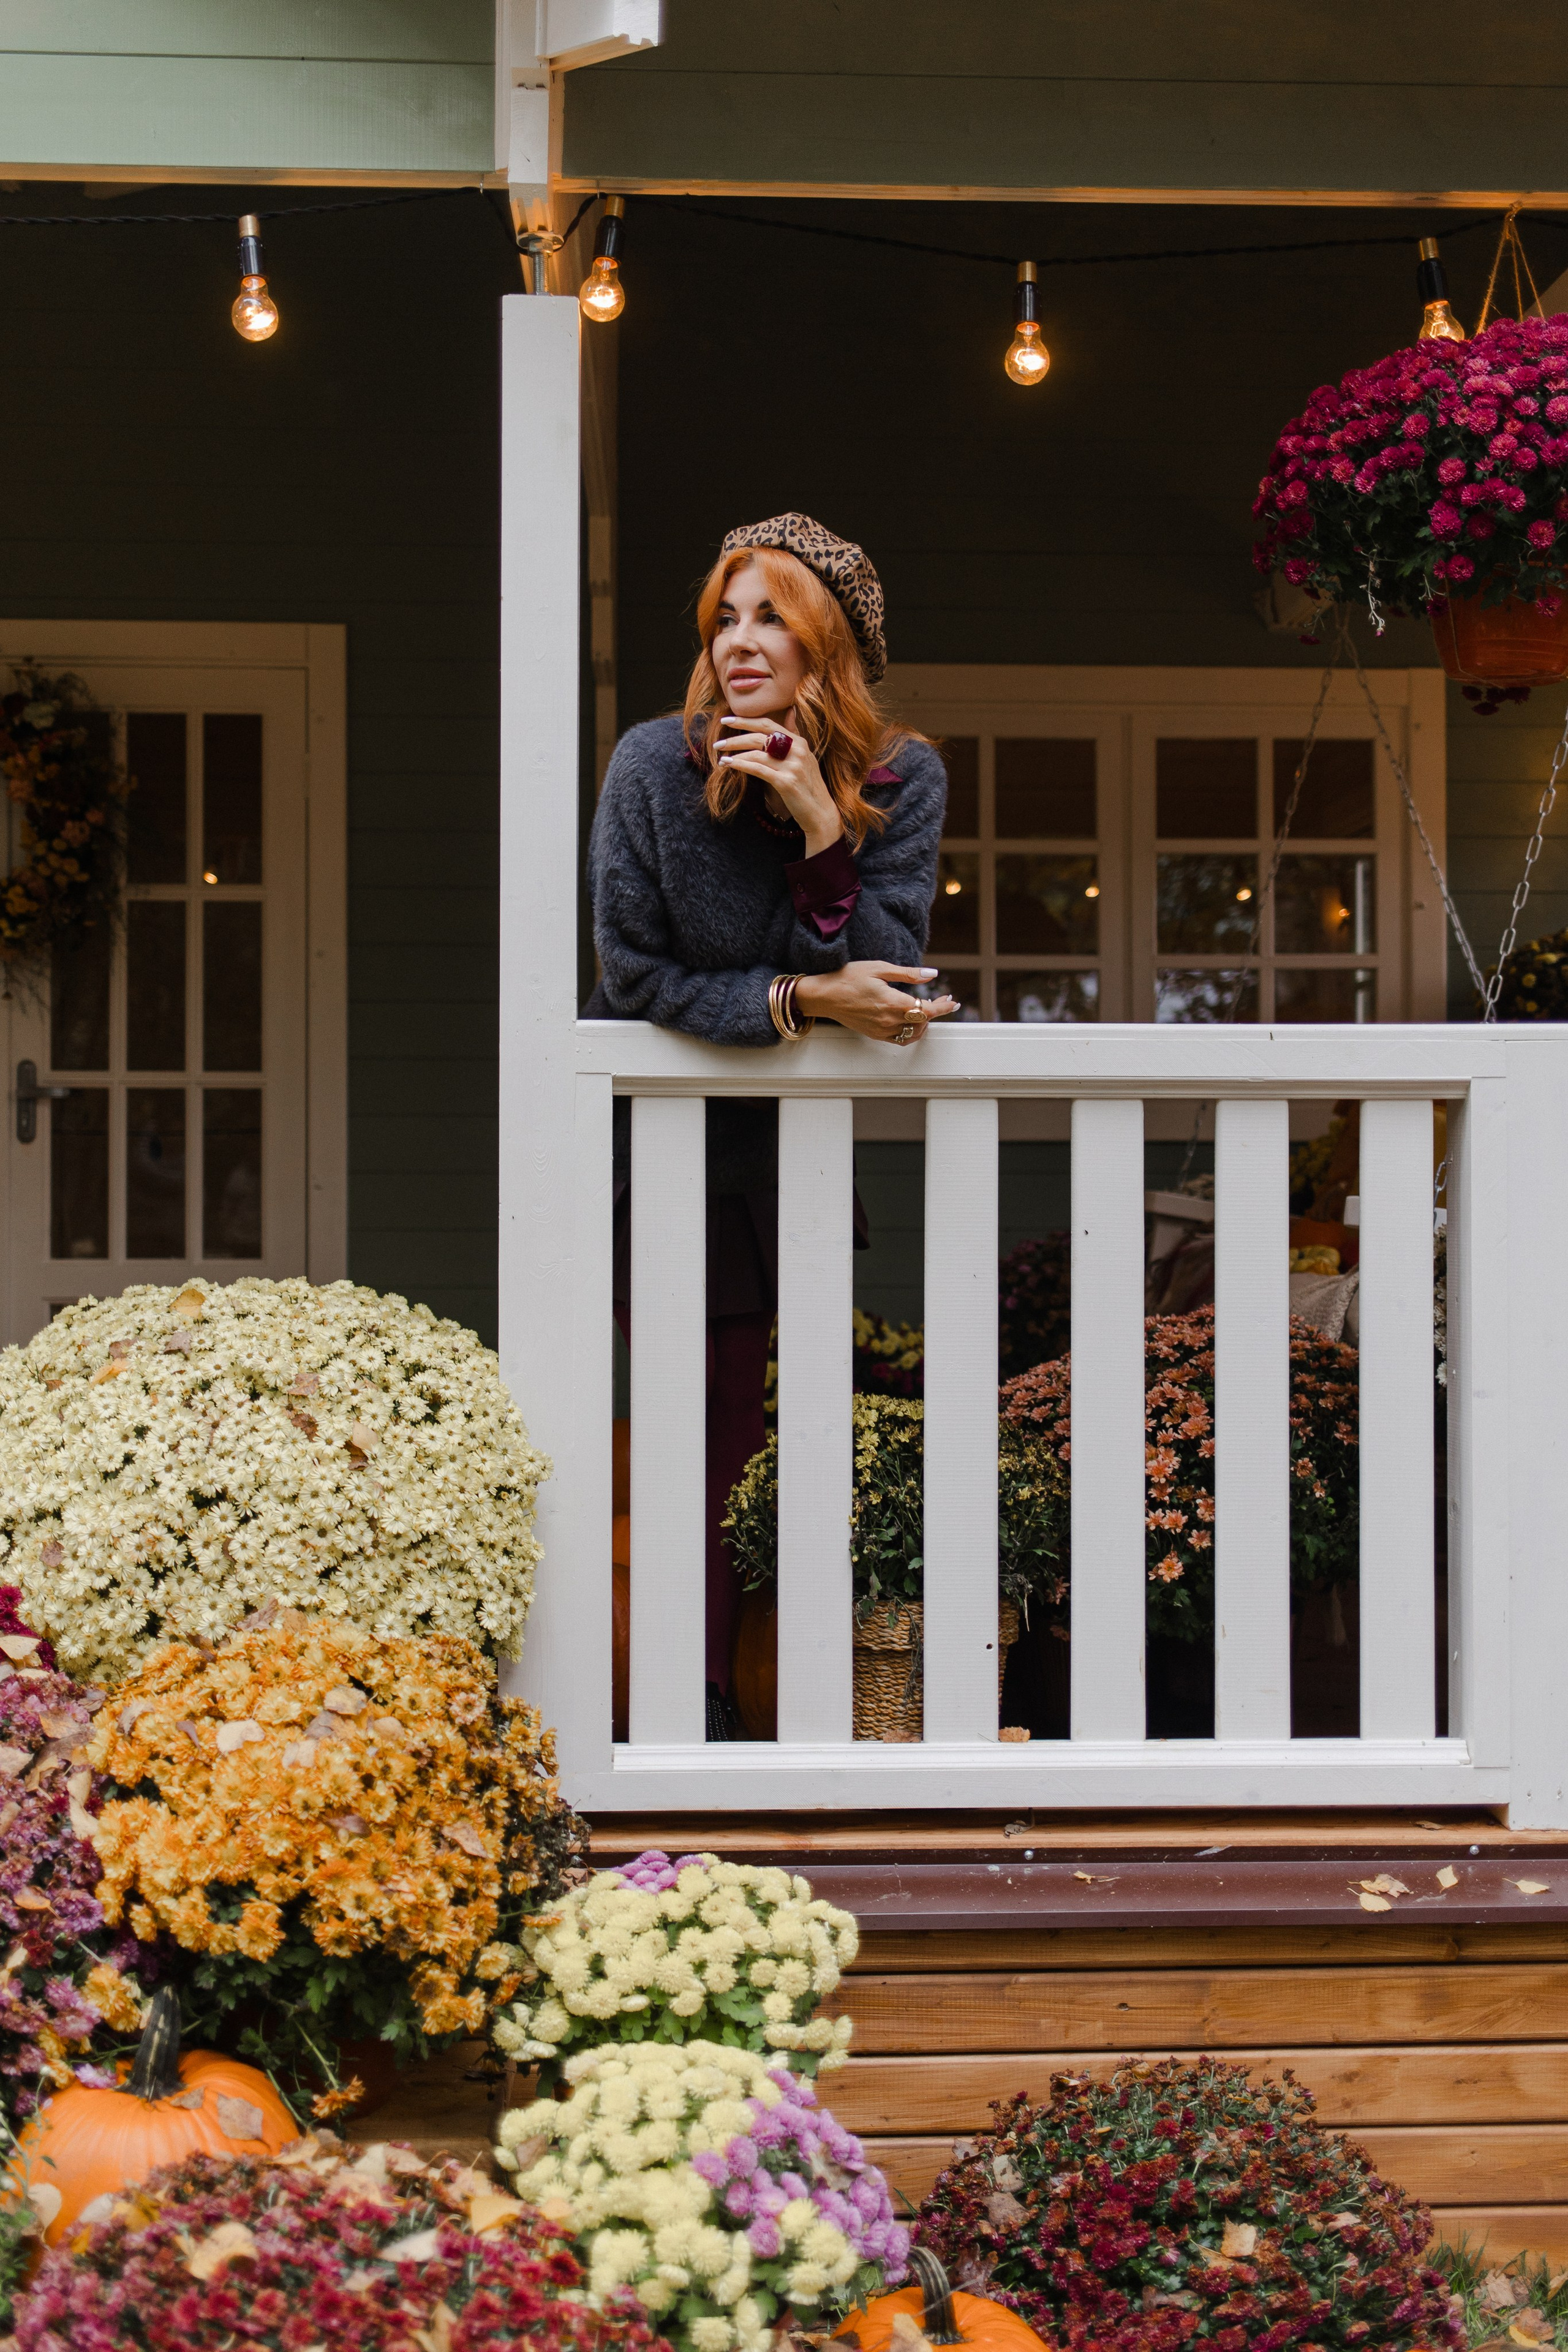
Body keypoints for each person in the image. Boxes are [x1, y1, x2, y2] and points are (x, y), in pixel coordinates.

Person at [585, 511, 954, 1737]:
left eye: (771, 619)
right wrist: (798, 1000)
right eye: (724, 619)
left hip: (781, 1159)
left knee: (747, 1440)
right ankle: (683, 1702)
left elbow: (889, 974)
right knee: (683, 1425)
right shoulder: (653, 766)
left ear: (826, 646)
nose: (739, 643)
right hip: (659, 1156)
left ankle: (730, 1696)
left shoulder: (900, 777)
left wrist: (820, 830)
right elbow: (634, 975)